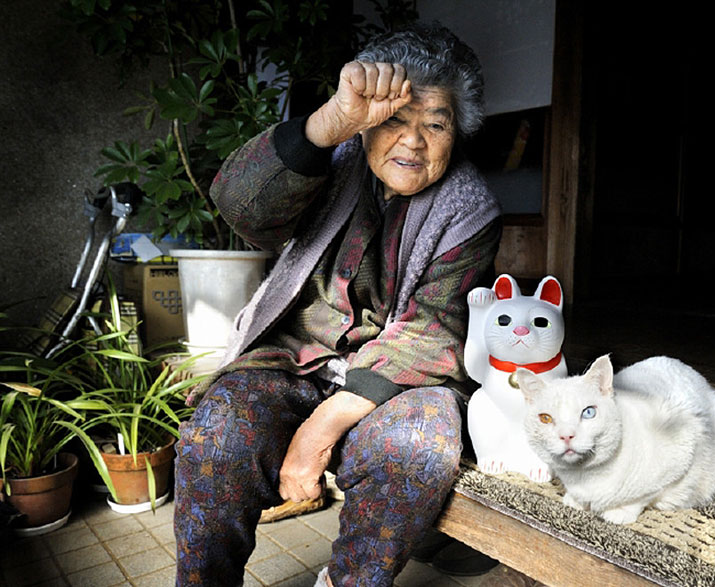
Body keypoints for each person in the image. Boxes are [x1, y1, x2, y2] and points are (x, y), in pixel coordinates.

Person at [173, 22, 502, 587]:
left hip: (399, 379)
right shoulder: (335, 155)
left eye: (435, 123)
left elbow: (433, 332)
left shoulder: (468, 208)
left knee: (421, 443)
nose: (413, 141)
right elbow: (239, 206)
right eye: (396, 118)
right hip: (291, 358)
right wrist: (328, 125)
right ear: (369, 121)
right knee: (219, 432)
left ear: (458, 134)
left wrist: (317, 433)